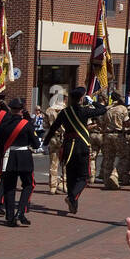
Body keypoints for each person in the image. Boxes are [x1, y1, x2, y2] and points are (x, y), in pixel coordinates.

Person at [43, 87, 107, 215]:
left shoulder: (64, 112)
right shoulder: (84, 111)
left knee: (71, 177)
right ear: (82, 98)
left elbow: (53, 128)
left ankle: (73, 204)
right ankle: (72, 198)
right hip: (81, 146)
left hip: (67, 147)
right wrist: (92, 102)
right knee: (83, 177)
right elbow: (103, 109)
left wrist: (45, 143)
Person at [0, 98, 36, 227]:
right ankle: (21, 212)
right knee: (28, 185)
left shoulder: (4, 124)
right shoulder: (27, 124)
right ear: (21, 109)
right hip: (24, 157)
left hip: (9, 157)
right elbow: (36, 143)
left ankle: (10, 217)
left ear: (11, 110)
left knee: (9, 188)